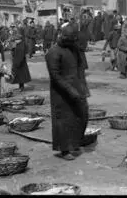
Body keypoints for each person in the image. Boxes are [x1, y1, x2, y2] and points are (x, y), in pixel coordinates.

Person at [45, 25, 89, 161]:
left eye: (72, 40)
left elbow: (80, 67)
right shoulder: (53, 52)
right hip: (60, 93)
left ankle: (75, 143)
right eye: (67, 39)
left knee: (82, 115)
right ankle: (64, 149)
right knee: (63, 121)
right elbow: (55, 76)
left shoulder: (73, 48)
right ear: (61, 35)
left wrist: (82, 87)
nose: (70, 42)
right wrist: (70, 90)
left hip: (76, 87)